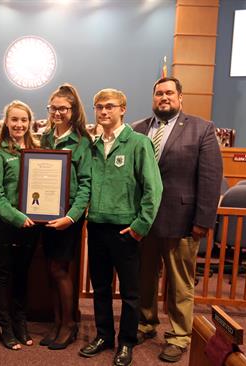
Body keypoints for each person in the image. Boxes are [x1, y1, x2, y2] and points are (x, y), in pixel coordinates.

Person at [132, 77, 223, 363]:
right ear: (153, 98)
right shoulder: (138, 129)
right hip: (144, 221)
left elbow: (210, 178)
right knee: (144, 278)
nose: (164, 97)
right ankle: (145, 324)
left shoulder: (202, 129)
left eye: (169, 92)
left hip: (182, 221)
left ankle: (179, 335)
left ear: (180, 97)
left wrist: (203, 220)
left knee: (180, 283)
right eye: (159, 93)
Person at [79, 88, 162, 366]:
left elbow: (154, 188)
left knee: (130, 292)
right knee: (100, 288)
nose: (104, 111)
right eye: (99, 107)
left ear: (122, 109)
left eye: (110, 106)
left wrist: (141, 225)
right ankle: (104, 335)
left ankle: (126, 342)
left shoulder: (138, 143)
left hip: (127, 230)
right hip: (98, 227)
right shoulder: (92, 145)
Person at [0, 100, 40, 351]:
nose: (19, 124)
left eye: (23, 120)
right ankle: (4, 325)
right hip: (7, 224)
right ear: (6, 122)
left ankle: (20, 321)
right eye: (14, 119)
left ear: (30, 123)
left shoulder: (39, 151)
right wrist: (16, 217)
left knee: (23, 274)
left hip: (33, 224)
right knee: (4, 274)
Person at [38, 84, 91, 350]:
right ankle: (57, 322)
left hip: (68, 216)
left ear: (73, 110)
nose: (57, 112)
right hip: (46, 213)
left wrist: (70, 218)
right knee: (50, 269)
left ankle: (69, 324)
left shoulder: (82, 141)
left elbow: (85, 186)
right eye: (53, 108)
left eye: (63, 108)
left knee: (60, 269)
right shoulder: (46, 137)